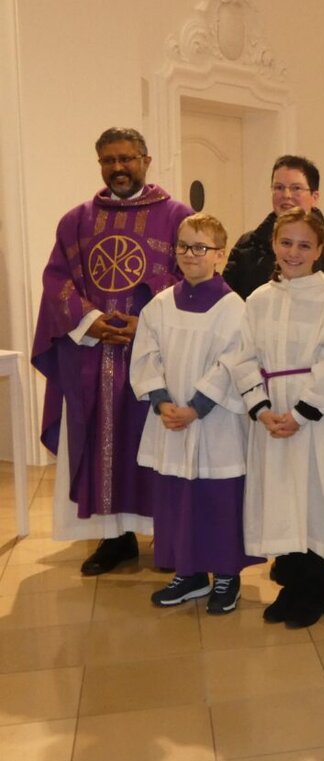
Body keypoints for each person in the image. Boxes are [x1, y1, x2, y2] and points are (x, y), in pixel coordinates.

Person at [31, 127, 191, 576]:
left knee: (156, 439)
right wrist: (89, 322)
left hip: (155, 354)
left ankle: (169, 536)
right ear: (99, 164)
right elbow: (56, 280)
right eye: (108, 161)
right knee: (104, 439)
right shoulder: (76, 221)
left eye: (127, 158)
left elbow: (194, 276)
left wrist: (150, 324)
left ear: (146, 159)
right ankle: (113, 539)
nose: (118, 168)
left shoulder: (179, 216)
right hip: (93, 355)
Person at [130, 213, 262, 614]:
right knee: (175, 496)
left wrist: (196, 407)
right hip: (170, 419)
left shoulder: (233, 308)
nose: (190, 254)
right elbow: (145, 353)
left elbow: (233, 363)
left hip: (214, 422)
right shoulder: (160, 304)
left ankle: (225, 576)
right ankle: (187, 574)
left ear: (219, 255)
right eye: (184, 246)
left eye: (201, 247)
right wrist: (160, 399)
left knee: (217, 498)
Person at [231, 208, 324, 628]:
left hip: (311, 417)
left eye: (304, 245)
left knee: (313, 497)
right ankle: (290, 584)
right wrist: (261, 408)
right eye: (286, 243)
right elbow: (242, 355)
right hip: (271, 412)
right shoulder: (259, 300)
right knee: (280, 496)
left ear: (319, 249)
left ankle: (315, 590)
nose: (294, 252)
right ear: (273, 245)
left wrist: (301, 412)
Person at [223, 155, 324, 298]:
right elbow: (230, 301)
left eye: (296, 188)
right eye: (279, 187)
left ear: (315, 196)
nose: (286, 195)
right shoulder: (248, 245)